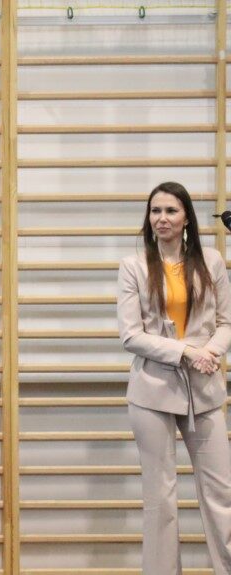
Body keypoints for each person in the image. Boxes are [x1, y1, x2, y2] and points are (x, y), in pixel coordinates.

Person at [117, 181, 231, 575]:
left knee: (221, 494)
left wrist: (211, 352)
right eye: (155, 211)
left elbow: (226, 322)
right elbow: (131, 335)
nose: (162, 218)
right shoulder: (133, 266)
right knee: (160, 499)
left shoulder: (211, 261)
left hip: (204, 390)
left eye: (171, 211)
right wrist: (186, 351)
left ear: (186, 219)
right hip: (152, 392)